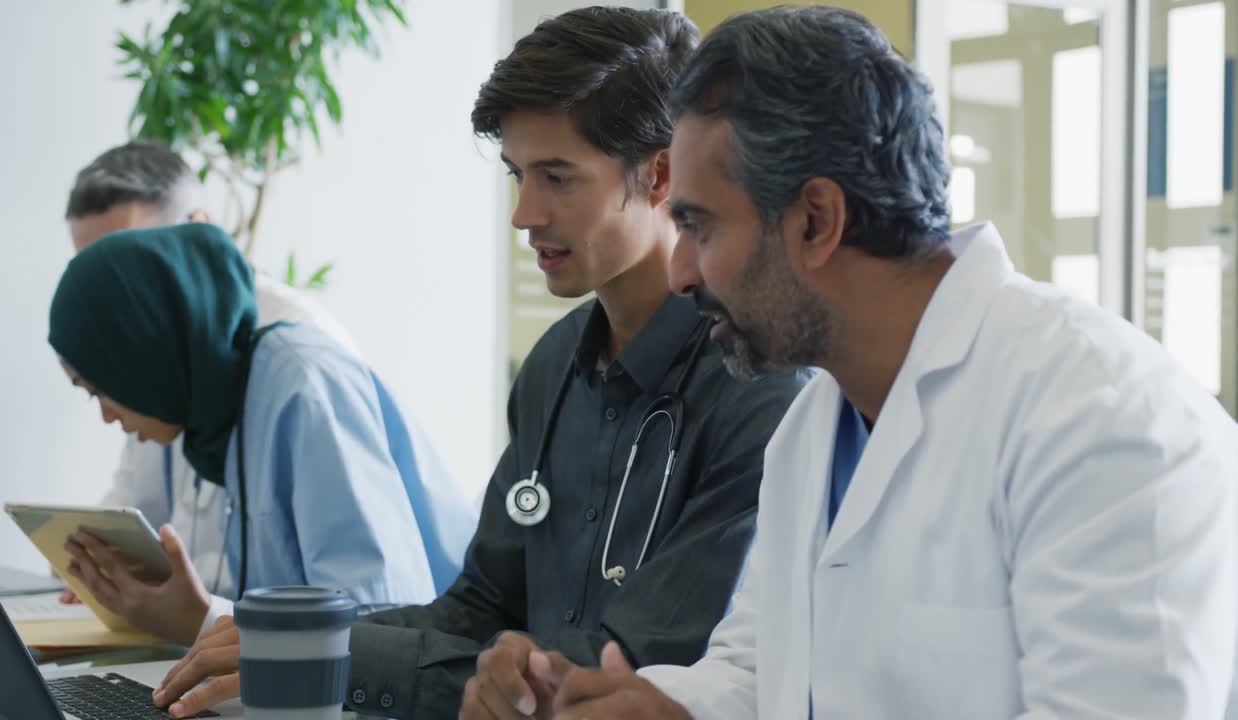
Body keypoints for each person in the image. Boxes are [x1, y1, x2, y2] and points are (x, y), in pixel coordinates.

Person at [528, 6, 1238, 718]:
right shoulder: (815, 427)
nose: (682, 272)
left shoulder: (1109, 423)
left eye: (697, 226)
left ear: (817, 220)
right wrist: (661, 706)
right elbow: (764, 672)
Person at [150, 7, 806, 719]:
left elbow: (632, 665)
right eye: (517, 175)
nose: (523, 214)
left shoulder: (757, 381)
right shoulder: (555, 367)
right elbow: (479, 609)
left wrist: (336, 658)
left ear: (659, 176)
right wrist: (298, 641)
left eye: (556, 177)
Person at [49, 223, 477, 652]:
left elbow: (382, 626)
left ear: (142, 351)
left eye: (100, 389)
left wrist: (199, 620)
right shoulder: (211, 419)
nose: (106, 415)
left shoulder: (305, 386)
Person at [60, 141, 363, 606]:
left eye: (129, 259)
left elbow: (358, 607)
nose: (111, 297)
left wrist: (200, 620)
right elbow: (136, 509)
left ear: (197, 231)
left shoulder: (303, 365)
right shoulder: (160, 380)